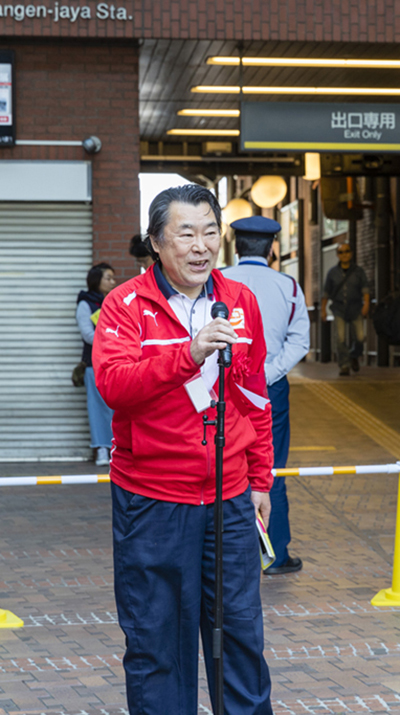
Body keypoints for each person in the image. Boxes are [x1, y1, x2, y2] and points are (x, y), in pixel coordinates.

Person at [92, 184, 275, 715]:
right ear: (156, 242)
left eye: (211, 232)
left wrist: (262, 479)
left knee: (240, 634)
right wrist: (188, 355)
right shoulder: (124, 306)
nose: (201, 246)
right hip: (152, 501)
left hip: (230, 498)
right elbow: (115, 386)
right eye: (186, 233)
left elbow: (253, 393)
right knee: (157, 642)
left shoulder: (240, 302)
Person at [224, 215, 310, 575]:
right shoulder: (287, 286)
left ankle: (228, 553)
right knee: (271, 467)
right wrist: (268, 373)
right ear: (272, 247)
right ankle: (275, 553)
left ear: (235, 245)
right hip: (271, 388)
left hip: (223, 386)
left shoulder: (218, 281)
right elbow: (300, 341)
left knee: (224, 464)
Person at [76, 262, 116, 466]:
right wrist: (113, 340)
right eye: (108, 278)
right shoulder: (86, 303)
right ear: (96, 281)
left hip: (116, 363)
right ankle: (101, 449)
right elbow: (87, 334)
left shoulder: (113, 301)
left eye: (113, 278)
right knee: (97, 407)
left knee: (116, 407)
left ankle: (117, 449)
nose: (112, 282)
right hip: (94, 364)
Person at [321, 243, 370, 376]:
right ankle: (344, 365)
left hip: (356, 308)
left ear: (351, 253)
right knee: (340, 338)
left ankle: (354, 355)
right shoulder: (332, 272)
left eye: (347, 251)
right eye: (341, 252)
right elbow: (326, 292)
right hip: (339, 308)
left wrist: (366, 304)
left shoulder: (358, 271)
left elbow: (365, 288)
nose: (344, 254)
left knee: (360, 337)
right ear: (337, 255)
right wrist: (323, 310)